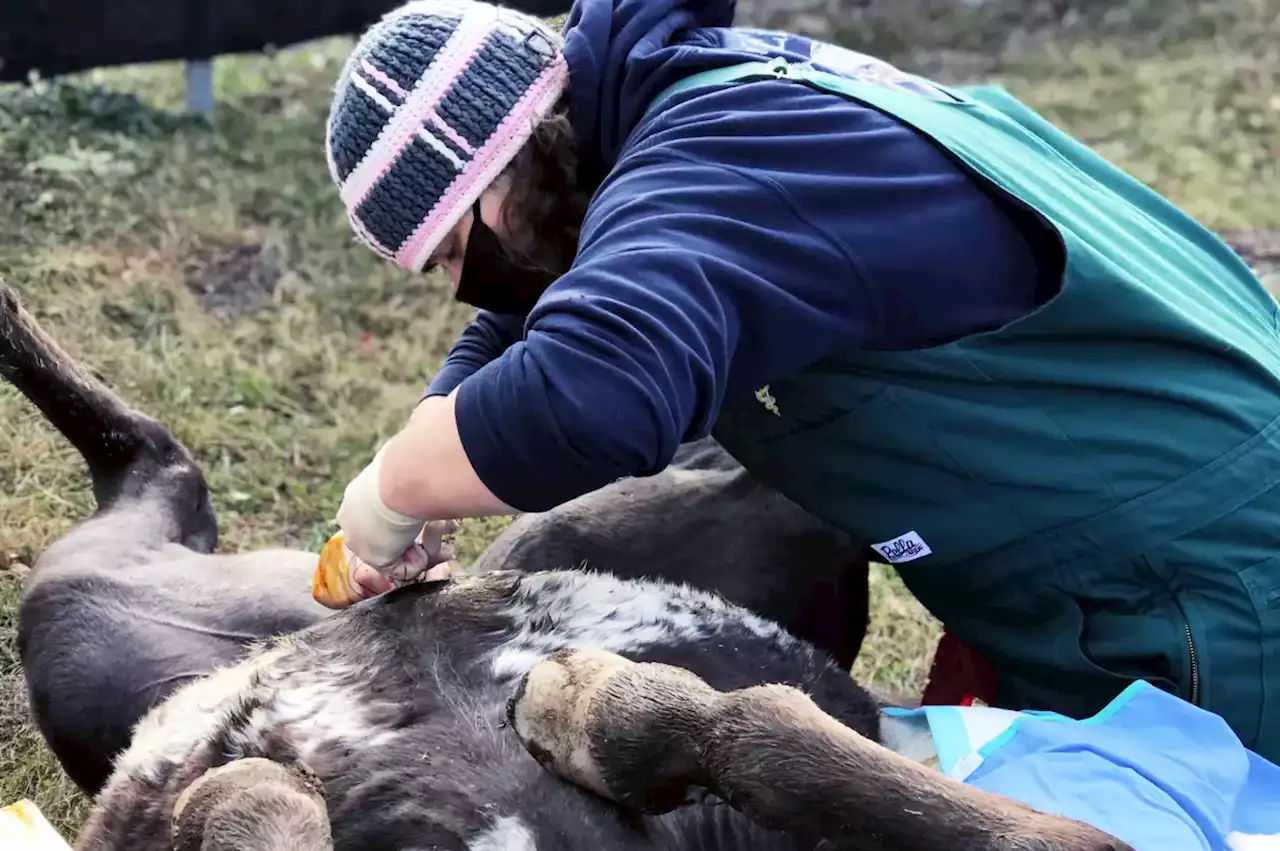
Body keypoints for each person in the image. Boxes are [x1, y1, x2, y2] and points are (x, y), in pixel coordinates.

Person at [323, 0, 1280, 762]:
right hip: (1134, 516)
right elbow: (538, 300)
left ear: (502, 175)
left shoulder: (711, 171)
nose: (461, 290)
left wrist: (389, 495)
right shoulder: (684, 106)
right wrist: (432, 422)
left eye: (452, 254)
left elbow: (590, 397)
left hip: (1212, 602)